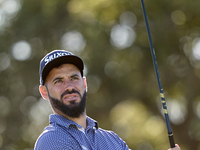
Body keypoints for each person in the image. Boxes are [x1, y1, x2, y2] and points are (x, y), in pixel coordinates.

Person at [34, 50, 181, 150]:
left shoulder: (112, 139)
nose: (69, 86)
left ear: (84, 84)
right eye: (58, 81)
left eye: (74, 78)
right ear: (44, 92)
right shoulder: (50, 140)